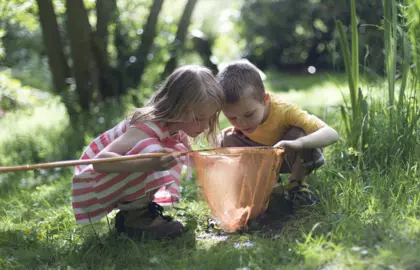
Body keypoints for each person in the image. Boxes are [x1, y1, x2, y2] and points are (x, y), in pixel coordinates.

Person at [71, 65, 224, 240]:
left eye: (210, 119)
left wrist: (214, 163)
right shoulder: (146, 128)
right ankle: (136, 221)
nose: (205, 126)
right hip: (90, 184)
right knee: (153, 152)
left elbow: (191, 158)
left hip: (111, 180)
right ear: (178, 107)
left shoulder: (176, 128)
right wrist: (150, 163)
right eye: (199, 118)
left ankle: (135, 214)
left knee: (169, 153)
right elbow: (100, 162)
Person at [217, 61, 339, 207]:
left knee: (299, 132)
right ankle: (265, 187)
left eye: (249, 114)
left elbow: (332, 134)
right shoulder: (241, 121)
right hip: (262, 158)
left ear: (265, 99)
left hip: (288, 155)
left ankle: (297, 186)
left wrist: (297, 143)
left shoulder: (284, 111)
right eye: (232, 118)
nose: (242, 123)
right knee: (227, 139)